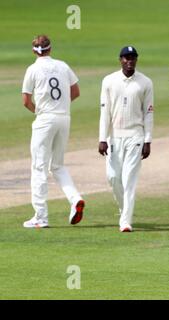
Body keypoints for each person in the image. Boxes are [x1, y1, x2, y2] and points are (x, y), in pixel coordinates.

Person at [22, 35, 85, 228]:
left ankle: (40, 217)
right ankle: (75, 200)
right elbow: (75, 92)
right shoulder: (63, 66)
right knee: (57, 166)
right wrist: (60, 107)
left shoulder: (32, 69)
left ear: (34, 51)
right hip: (63, 118)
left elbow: (25, 101)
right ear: (50, 49)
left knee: (39, 167)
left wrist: (40, 113)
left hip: (45, 120)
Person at [98, 46, 153, 232]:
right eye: (126, 58)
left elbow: (148, 113)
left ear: (136, 60)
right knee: (113, 177)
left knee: (129, 178)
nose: (130, 61)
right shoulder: (109, 81)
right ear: (120, 60)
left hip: (135, 136)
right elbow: (104, 112)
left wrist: (148, 140)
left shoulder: (145, 82)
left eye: (133, 58)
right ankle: (124, 210)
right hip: (114, 136)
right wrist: (102, 138)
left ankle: (125, 221)